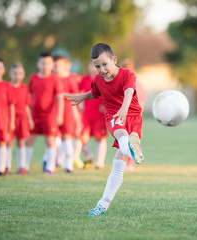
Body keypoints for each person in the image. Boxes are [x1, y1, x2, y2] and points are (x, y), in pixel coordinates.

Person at [64, 42, 144, 216]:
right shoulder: (98, 80)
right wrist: (81, 97)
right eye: (97, 66)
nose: (101, 69)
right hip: (113, 116)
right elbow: (95, 92)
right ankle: (103, 203)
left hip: (133, 116)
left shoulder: (127, 74)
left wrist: (124, 107)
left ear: (114, 60)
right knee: (121, 137)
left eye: (105, 64)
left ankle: (104, 202)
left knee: (118, 164)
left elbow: (129, 91)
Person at [26, 53, 64, 174]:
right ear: (38, 64)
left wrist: (60, 115)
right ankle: (24, 166)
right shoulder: (33, 78)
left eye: (48, 63)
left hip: (49, 115)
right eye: (43, 63)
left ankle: (50, 167)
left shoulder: (54, 79)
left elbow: (59, 98)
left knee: (50, 140)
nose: (45, 66)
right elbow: (30, 96)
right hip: (35, 115)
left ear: (52, 65)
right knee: (30, 140)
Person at [77, 61, 107, 169]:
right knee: (82, 137)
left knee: (100, 138)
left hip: (99, 115)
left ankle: (99, 162)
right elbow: (78, 91)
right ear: (88, 66)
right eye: (92, 66)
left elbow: (108, 94)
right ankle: (89, 155)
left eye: (97, 66)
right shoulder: (84, 79)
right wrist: (80, 103)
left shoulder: (103, 79)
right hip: (86, 114)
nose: (94, 68)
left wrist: (105, 106)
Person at [53, 55, 80, 173]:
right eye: (55, 65)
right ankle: (52, 161)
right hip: (53, 111)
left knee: (67, 137)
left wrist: (76, 114)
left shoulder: (69, 80)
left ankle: (68, 165)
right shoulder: (52, 79)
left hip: (67, 111)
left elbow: (75, 97)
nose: (57, 68)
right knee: (53, 137)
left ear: (65, 67)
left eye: (59, 66)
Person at [7, 63, 34, 175]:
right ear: (10, 74)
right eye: (14, 74)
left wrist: (30, 119)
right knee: (8, 142)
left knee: (21, 142)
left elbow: (26, 105)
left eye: (19, 74)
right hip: (9, 118)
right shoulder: (7, 87)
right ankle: (6, 166)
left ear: (23, 75)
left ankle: (22, 166)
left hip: (22, 118)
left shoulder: (24, 88)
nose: (17, 76)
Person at [120, 59, 147, 172]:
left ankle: (129, 162)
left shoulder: (136, 84)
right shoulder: (121, 84)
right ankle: (130, 160)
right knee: (126, 140)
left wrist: (138, 115)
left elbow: (141, 101)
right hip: (125, 116)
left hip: (131, 116)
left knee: (127, 140)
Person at [0, 57, 15, 175]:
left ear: (3, 70)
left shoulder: (7, 86)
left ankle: (1, 168)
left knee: (2, 143)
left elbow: (11, 104)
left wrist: (11, 121)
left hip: (3, 120)